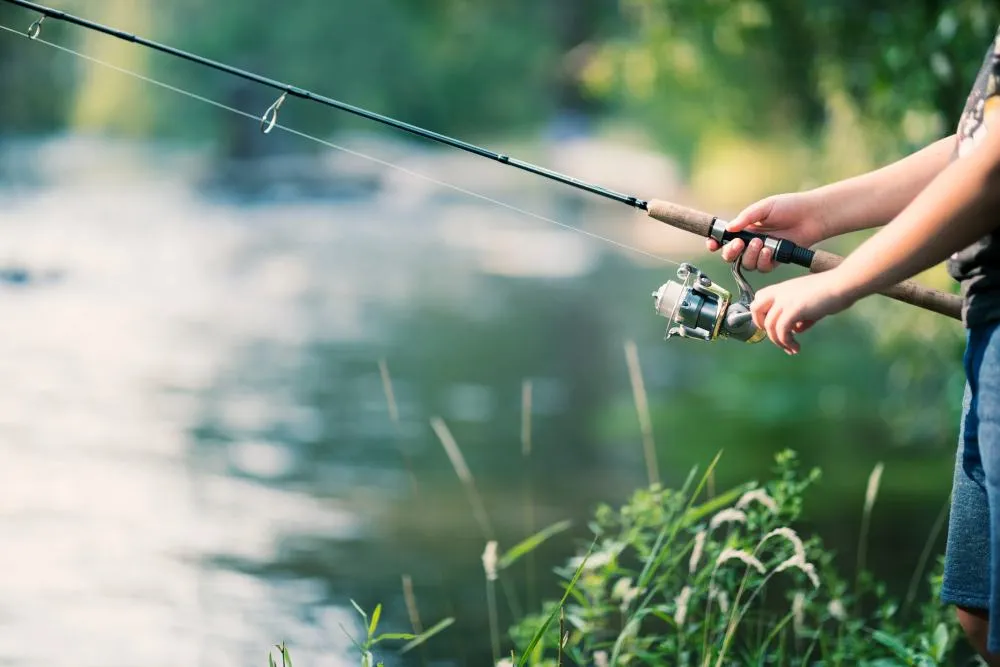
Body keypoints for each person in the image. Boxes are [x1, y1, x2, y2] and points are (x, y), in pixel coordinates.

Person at [707, 25, 1000, 665]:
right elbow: (972, 148)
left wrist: (841, 283)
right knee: (980, 613)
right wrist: (817, 213)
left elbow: (995, 168)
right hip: (989, 319)